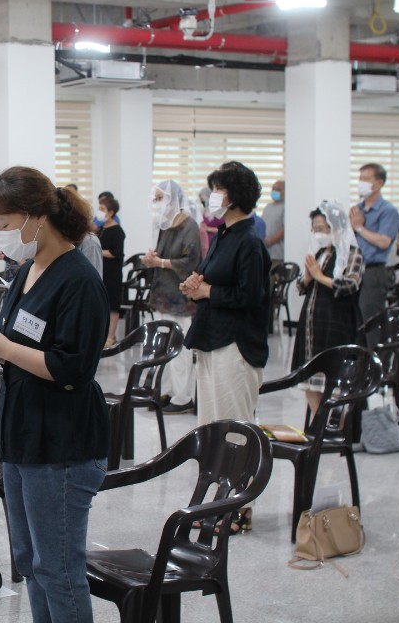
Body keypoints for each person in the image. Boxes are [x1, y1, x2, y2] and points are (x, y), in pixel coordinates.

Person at [0, 167, 109, 623]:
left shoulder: (79, 280)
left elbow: (72, 369)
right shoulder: (27, 271)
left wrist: (1, 348)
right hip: (22, 431)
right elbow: (17, 341)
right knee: (29, 561)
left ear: (38, 217)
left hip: (61, 440)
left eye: (4, 224)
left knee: (57, 567)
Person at [180, 161, 270, 532]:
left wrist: (209, 291)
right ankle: (218, 502)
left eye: (217, 189)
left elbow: (250, 296)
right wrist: (196, 286)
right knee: (213, 427)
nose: (212, 196)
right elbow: (212, 279)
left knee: (235, 429)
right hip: (212, 338)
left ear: (233, 196)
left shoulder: (250, 240)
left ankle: (238, 507)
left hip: (236, 344)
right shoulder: (223, 234)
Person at [292, 202, 364, 416]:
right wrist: (307, 278)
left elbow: (351, 284)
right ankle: (319, 424)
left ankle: (337, 426)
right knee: (311, 381)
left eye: (322, 229)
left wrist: (320, 276)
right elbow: (301, 285)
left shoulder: (352, 253)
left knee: (335, 381)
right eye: (315, 229)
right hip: (312, 327)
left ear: (337, 227)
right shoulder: (319, 253)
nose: (318, 233)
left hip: (337, 324)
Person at [142, 180, 201, 414]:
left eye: (161, 198)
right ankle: (165, 391)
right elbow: (160, 255)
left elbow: (191, 262)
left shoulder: (190, 226)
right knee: (162, 348)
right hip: (162, 294)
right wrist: (152, 258)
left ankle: (183, 397)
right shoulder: (164, 226)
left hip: (181, 297)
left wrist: (161, 262)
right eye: (155, 198)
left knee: (180, 350)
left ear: (173, 199)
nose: (157, 203)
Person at [350, 163, 399, 349]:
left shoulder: (388, 210)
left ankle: (375, 362)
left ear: (379, 183)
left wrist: (359, 227)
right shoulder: (357, 209)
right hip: (354, 270)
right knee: (354, 323)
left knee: (371, 323)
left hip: (373, 272)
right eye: (360, 178)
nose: (361, 183)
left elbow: (383, 242)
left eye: (366, 179)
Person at [97, 194, 125, 348]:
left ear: (111, 212)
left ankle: (111, 336)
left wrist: (99, 251)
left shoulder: (117, 230)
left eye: (102, 209)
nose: (100, 212)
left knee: (113, 304)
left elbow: (117, 252)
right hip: (102, 271)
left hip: (112, 273)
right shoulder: (101, 229)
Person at [262, 180, 285, 269]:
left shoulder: (285, 207)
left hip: (277, 254)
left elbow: (284, 229)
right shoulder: (268, 207)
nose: (275, 191)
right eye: (273, 189)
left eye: (278, 189)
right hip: (265, 253)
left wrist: (271, 241)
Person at [198, 186, 223, 258]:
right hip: (203, 243)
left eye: (203, 199)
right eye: (201, 199)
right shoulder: (202, 211)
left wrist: (208, 229)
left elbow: (223, 230)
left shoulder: (217, 212)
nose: (202, 201)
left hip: (214, 243)